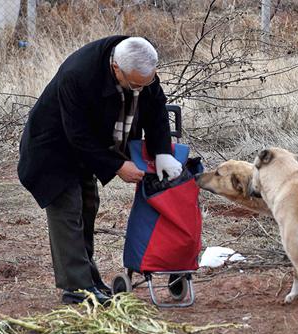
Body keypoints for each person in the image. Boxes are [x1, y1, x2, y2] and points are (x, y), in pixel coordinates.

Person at [17, 36, 183, 305]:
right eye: (135, 84)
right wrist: (117, 165)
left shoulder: (140, 67)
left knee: (88, 207)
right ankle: (77, 289)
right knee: (68, 212)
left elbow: (155, 109)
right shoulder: (78, 76)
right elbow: (78, 135)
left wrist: (162, 151)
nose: (140, 89)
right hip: (53, 149)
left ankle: (90, 279)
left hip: (85, 150)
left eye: (147, 82)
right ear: (116, 68)